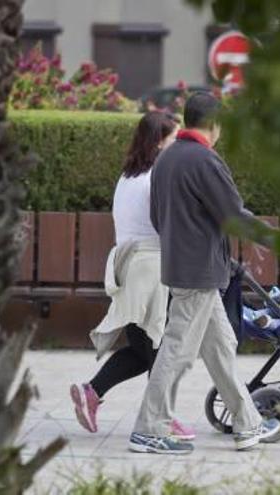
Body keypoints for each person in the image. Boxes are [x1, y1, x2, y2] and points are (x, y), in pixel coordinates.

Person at [128, 92, 280, 455]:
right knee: (178, 351)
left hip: (186, 267)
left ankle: (247, 423)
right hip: (198, 272)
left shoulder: (165, 159)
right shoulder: (205, 160)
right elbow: (233, 214)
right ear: (216, 125)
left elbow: (157, 217)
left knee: (221, 346)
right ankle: (149, 429)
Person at [69, 111, 195, 441]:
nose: (178, 146)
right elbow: (168, 226)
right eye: (173, 139)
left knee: (143, 349)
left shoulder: (128, 176)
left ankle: (92, 392)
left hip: (127, 266)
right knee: (161, 348)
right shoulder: (157, 178)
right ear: (158, 142)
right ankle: (161, 420)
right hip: (149, 269)